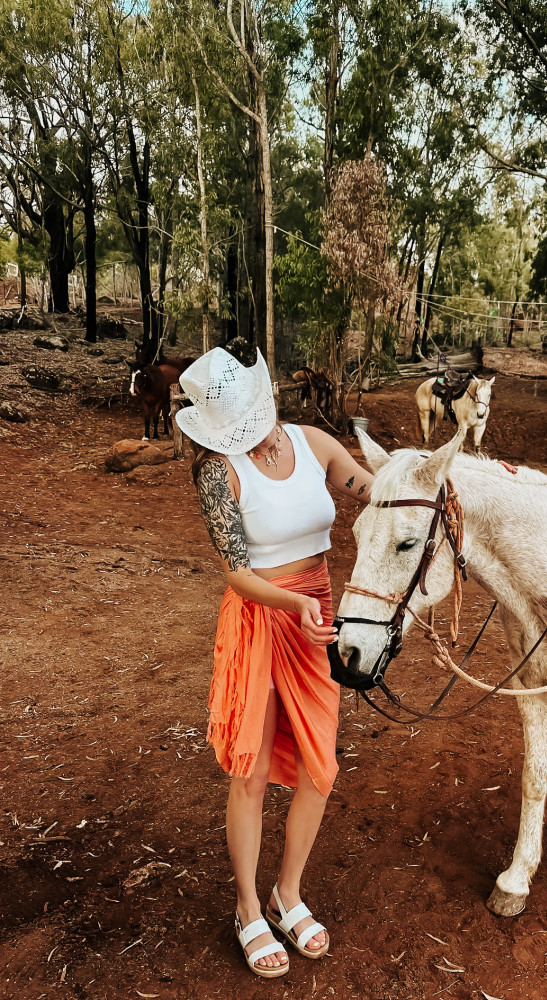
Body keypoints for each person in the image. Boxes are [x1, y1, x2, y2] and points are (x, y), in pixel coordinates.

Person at [175, 347, 373, 978]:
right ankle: (249, 907)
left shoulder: (313, 443)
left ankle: (289, 894)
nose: (252, 432)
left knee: (320, 764)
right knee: (253, 772)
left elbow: (375, 487)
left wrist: (433, 484)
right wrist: (292, 601)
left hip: (318, 613)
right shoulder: (217, 471)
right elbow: (236, 571)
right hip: (262, 618)